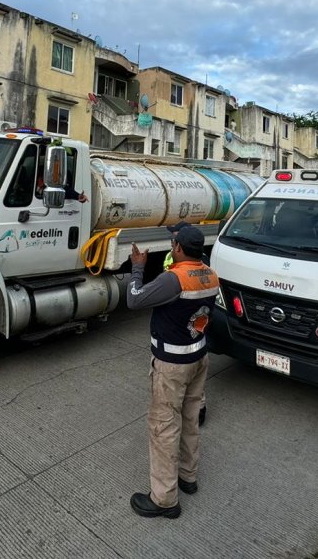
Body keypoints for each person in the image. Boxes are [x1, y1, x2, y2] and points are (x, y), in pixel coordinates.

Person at [127, 225, 218, 519]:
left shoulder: (174, 278)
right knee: (190, 419)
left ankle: (164, 499)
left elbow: (135, 299)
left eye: (172, 243)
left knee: (164, 427)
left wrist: (138, 269)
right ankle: (187, 478)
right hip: (198, 359)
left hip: (172, 365)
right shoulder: (210, 274)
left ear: (178, 248)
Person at [164, 220, 208, 426]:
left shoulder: (198, 263)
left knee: (185, 383)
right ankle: (195, 412)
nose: (172, 240)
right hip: (188, 320)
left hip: (185, 323)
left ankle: (198, 411)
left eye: (174, 236)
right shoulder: (174, 257)